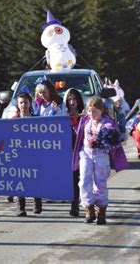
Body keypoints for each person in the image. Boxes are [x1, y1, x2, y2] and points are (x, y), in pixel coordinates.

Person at [74, 97, 121, 224]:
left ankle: (101, 210)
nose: (92, 114)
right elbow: (77, 131)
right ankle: (89, 208)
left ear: (101, 110)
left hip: (101, 155)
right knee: (84, 180)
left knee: (100, 182)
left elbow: (115, 140)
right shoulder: (85, 121)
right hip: (86, 154)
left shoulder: (108, 123)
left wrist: (101, 141)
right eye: (89, 111)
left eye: (95, 111)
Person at [12, 92, 43, 216]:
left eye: (25, 102)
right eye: (21, 102)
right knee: (19, 179)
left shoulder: (36, 119)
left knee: (35, 178)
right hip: (18, 155)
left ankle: (38, 201)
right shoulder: (14, 120)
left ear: (30, 103)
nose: (23, 105)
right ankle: (21, 206)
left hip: (33, 154)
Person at [64, 88, 85, 217]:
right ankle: (74, 205)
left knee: (79, 180)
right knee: (71, 180)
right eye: (70, 99)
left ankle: (79, 205)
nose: (72, 102)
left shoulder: (84, 114)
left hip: (81, 151)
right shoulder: (63, 114)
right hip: (67, 152)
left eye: (74, 99)